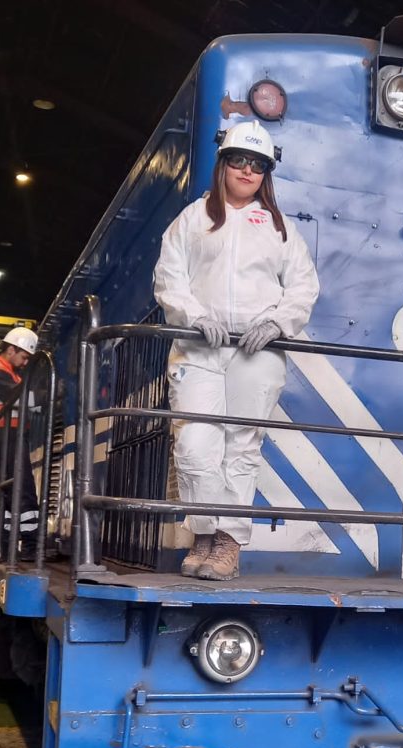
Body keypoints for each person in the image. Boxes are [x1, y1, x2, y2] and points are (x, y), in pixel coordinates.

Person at [154, 120, 319, 581]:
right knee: (194, 443)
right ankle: (204, 534)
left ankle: (226, 545)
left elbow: (303, 288)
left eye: (258, 164)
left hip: (256, 349)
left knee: (240, 446)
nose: (248, 170)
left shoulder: (280, 228)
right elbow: (169, 277)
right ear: (222, 163)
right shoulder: (192, 219)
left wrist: (275, 323)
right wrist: (191, 314)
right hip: (199, 348)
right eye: (239, 160)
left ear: (267, 173)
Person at [0, 326, 40, 561]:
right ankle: (31, 547)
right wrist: (47, 394)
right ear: (12, 349)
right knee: (24, 489)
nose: (25, 363)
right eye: (24, 356)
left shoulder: (7, 373)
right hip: (6, 438)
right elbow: (22, 398)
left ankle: (3, 548)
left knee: (2, 493)